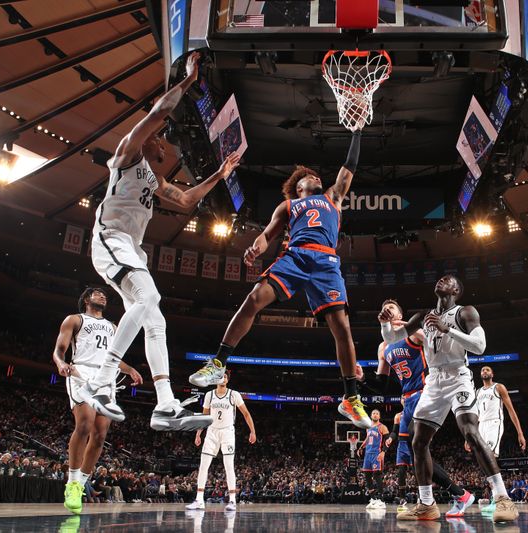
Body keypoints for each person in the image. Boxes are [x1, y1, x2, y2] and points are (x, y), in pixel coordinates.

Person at [78, 50, 239, 431]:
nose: (165, 144)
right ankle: (101, 380)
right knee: (150, 299)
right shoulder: (127, 153)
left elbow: (184, 199)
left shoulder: (153, 177)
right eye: (161, 139)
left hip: (129, 249)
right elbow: (157, 115)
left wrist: (218, 175)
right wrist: (186, 80)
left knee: (156, 322)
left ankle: (165, 405)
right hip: (110, 240)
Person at [188, 130, 371, 429]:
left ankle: (350, 399)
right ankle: (218, 364)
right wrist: (254, 248)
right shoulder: (287, 207)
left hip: (326, 261)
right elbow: (266, 235)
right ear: (298, 187)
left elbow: (349, 166)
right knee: (254, 300)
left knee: (343, 329)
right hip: (295, 256)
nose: (315, 178)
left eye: (316, 176)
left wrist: (357, 132)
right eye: (308, 177)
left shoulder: (333, 198)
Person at [380, 275, 518, 523]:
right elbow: (392, 338)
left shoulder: (465, 312)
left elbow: (480, 346)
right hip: (433, 381)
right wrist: (385, 326)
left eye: (449, 279)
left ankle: (503, 498)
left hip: (458, 376)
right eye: (441, 278)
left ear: (455, 290)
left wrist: (448, 330)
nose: (442, 279)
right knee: (418, 441)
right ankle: (427, 504)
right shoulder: (423, 316)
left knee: (470, 432)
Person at [375, 299, 474, 517]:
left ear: (400, 313)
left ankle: (431, 501)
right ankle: (459, 495)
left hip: (424, 392)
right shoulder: (383, 347)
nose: (388, 310)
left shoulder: (412, 333)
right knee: (415, 451)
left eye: (392, 308)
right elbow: (380, 384)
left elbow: (437, 348)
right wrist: (360, 379)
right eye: (385, 309)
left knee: (415, 442)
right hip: (407, 399)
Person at [53, 287, 143, 514]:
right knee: (84, 424)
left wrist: (130, 368)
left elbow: (115, 358)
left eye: (104, 294)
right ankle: (72, 483)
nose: (102, 296)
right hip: (81, 372)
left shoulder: (113, 327)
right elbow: (59, 350)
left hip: (106, 377)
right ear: (86, 299)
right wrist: (61, 363)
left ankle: (81, 484)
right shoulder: (74, 320)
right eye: (96, 293)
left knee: (100, 434)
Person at [186, 372, 256, 512]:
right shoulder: (209, 395)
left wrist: (252, 431)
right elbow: (205, 416)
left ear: (228, 380)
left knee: (228, 466)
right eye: (220, 376)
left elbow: (246, 414)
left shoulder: (233, 394)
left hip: (227, 432)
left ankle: (232, 501)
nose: (222, 378)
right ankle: (199, 499)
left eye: (225, 376)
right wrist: (199, 433)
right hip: (212, 431)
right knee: (203, 465)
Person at [470, 365, 526, 515]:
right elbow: (475, 415)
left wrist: (520, 433)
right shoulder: (478, 392)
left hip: (494, 423)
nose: (485, 372)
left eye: (487, 370)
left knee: (489, 457)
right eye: (482, 370)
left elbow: (511, 410)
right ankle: (497, 496)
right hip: (480, 426)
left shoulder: (499, 387)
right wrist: (469, 434)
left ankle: (501, 498)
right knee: (483, 460)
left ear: (492, 374)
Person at [357, 409, 389, 510]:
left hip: (376, 454)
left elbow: (388, 440)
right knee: (367, 475)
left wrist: (383, 452)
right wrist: (361, 447)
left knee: (377, 475)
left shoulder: (382, 427)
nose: (375, 415)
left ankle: (382, 500)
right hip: (367, 454)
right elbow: (367, 438)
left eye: (377, 414)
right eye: (373, 413)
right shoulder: (368, 427)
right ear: (371, 416)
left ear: (379, 416)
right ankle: (373, 499)